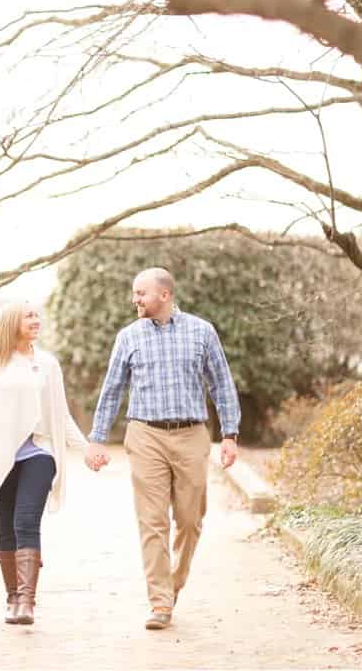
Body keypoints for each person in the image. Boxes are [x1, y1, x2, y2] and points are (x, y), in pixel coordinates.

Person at [84, 267, 241, 631]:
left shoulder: (202, 332)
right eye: (134, 293)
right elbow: (111, 390)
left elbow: (222, 384)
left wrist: (230, 434)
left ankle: (175, 582)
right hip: (145, 435)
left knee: (189, 519)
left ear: (165, 295)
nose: (134, 299)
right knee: (152, 522)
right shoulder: (128, 337)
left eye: (141, 293)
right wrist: (96, 438)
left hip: (191, 435)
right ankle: (160, 603)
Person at [0, 300, 89, 625]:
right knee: (6, 527)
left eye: (37, 315)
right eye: (29, 316)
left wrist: (86, 448)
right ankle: (11, 598)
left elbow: (61, 414)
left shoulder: (48, 364)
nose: (36, 321)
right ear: (11, 323)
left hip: (39, 452)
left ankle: (26, 602)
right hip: (0, 459)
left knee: (25, 521)